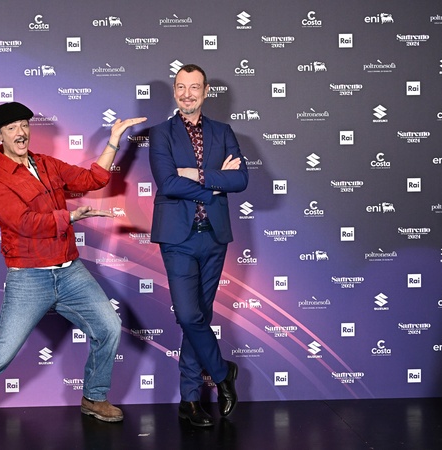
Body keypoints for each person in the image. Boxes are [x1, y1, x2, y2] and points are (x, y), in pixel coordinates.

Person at [0, 102, 146, 433]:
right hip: (29, 276)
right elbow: (24, 223)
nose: (21, 132)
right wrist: (70, 217)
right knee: (1, 352)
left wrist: (114, 140)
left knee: (108, 327)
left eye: (24, 125)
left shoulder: (46, 164)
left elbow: (92, 179)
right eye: (12, 128)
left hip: (70, 271)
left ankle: (94, 397)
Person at [148, 64, 249, 427]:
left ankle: (190, 400)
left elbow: (241, 179)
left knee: (199, 319)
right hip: (178, 237)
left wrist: (196, 174)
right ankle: (223, 374)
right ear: (174, 91)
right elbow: (168, 183)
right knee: (189, 316)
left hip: (214, 236)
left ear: (206, 92)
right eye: (180, 87)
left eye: (194, 87)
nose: (187, 94)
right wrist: (215, 185)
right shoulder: (161, 133)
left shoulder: (223, 132)